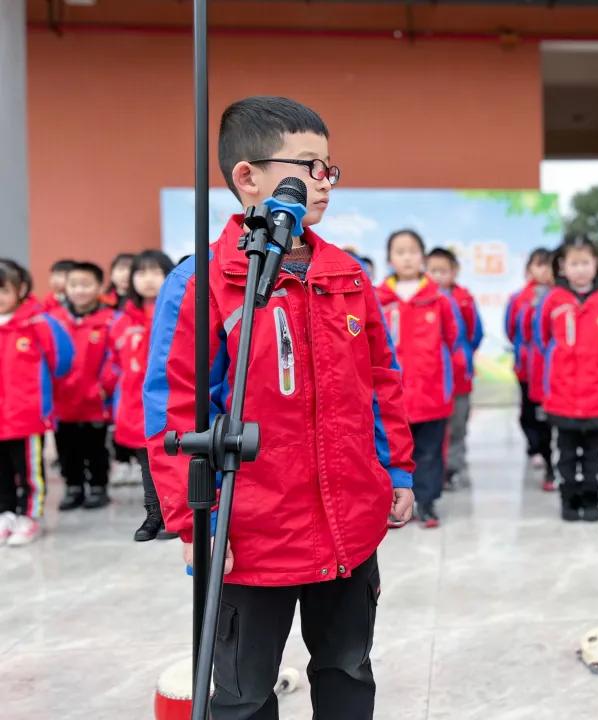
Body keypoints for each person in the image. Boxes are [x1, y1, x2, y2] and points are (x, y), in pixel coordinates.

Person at [145, 96, 415, 720]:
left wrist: (396, 472)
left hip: (349, 523)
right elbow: (172, 414)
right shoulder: (201, 282)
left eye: (329, 169)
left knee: (348, 671)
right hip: (249, 536)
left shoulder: (347, 273)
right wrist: (197, 521)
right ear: (247, 176)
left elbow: (382, 382)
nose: (324, 182)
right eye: (308, 167)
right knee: (241, 695)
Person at [537, 236, 598, 522]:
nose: (580, 269)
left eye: (585, 262)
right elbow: (542, 339)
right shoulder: (552, 299)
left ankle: (591, 498)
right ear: (562, 266)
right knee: (564, 453)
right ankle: (568, 499)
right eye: (573, 263)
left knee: (594, 454)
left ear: (596, 263)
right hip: (562, 393)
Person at [376, 230, 457, 528]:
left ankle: (428, 502)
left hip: (433, 393)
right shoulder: (377, 298)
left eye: (412, 251)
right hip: (391, 398)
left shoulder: (439, 299)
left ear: (423, 257)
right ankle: (395, 506)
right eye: (400, 251)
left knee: (430, 453)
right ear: (389, 259)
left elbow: (455, 342)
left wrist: (451, 383)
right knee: (392, 452)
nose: (407, 257)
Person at [106, 250, 179, 540]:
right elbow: (113, 360)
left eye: (155, 272)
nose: (148, 280)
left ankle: (175, 515)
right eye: (141, 272)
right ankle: (153, 514)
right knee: (146, 464)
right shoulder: (123, 319)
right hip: (136, 404)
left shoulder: (177, 308)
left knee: (172, 459)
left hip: (170, 400)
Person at [0, 259, 73, 546]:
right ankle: (6, 513)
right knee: (2, 470)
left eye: (3, 290)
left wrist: (40, 395)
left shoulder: (37, 321)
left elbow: (62, 358)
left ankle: (30, 516)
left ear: (20, 289)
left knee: (30, 471)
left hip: (27, 416)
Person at [50, 261, 116, 512]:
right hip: (63, 398)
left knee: (95, 446)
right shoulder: (55, 320)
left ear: (99, 286)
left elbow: (113, 357)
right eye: (74, 285)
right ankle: (73, 486)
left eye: (86, 284)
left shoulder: (109, 319)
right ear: (65, 287)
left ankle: (98, 486)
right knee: (66, 447)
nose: (79, 290)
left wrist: (104, 386)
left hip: (94, 398)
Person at [426, 247, 484, 489]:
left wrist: (462, 357)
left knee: (457, 424)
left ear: (455, 272)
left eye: (443, 271)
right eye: (433, 271)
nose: (438, 276)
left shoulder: (464, 299)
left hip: (459, 376)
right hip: (431, 377)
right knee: (434, 427)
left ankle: (453, 468)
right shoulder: (422, 298)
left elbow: (475, 332)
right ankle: (433, 469)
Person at [505, 248, 554, 488]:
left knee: (550, 414)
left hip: (554, 368)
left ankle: (550, 458)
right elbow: (510, 329)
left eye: (548, 265)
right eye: (539, 265)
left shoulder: (560, 295)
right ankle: (534, 446)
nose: (544, 270)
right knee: (529, 410)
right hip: (527, 365)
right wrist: (522, 352)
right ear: (529, 269)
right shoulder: (518, 298)